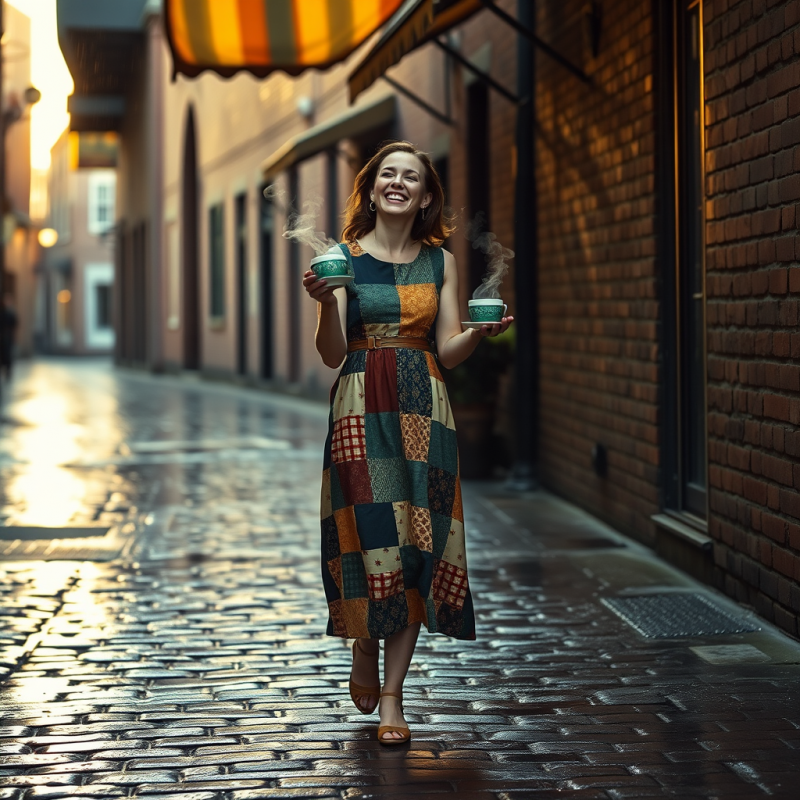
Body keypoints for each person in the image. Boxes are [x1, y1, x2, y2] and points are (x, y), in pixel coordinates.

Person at [302, 141, 513, 745]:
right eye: (388, 174)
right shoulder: (341, 260)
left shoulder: (440, 262)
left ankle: (394, 696)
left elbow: (445, 349)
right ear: (371, 190)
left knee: (419, 545)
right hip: (360, 402)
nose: (398, 183)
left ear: (424, 197)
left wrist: (477, 331)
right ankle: (363, 642)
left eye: (411, 177)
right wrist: (323, 307)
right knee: (372, 541)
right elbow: (333, 354)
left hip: (425, 402)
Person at [0, 293, 18, 382]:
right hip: (3, 338)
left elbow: (15, 325)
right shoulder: (2, 313)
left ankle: (8, 371)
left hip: (8, 337)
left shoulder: (11, 313)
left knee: (8, 355)